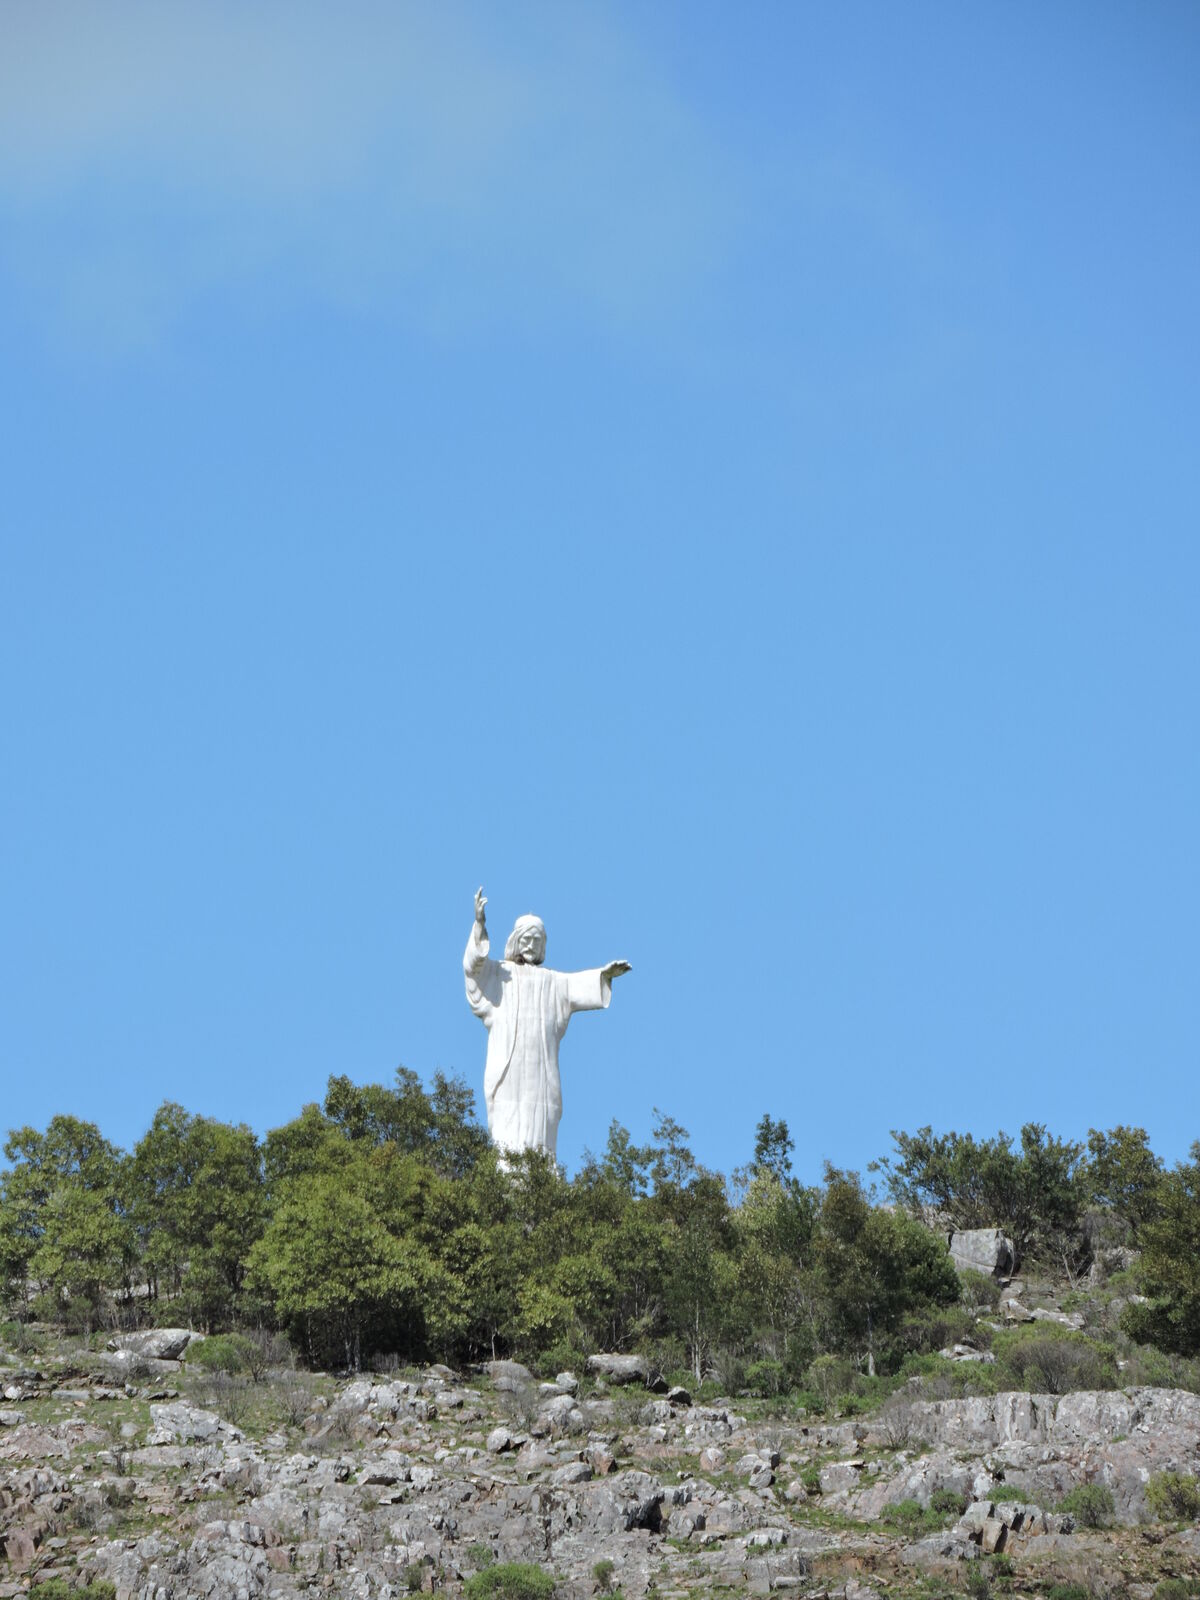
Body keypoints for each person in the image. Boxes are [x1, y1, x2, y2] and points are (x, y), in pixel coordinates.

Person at [463, 886, 630, 1161]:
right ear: (516, 941)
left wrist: (604, 974)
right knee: (508, 1121)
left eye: (536, 940)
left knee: (541, 1117)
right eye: (526, 939)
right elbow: (473, 967)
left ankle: (541, 1173)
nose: (530, 945)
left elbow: (578, 985)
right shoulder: (498, 974)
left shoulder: (552, 981)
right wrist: (479, 925)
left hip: (540, 1071)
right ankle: (506, 1170)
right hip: (508, 1068)